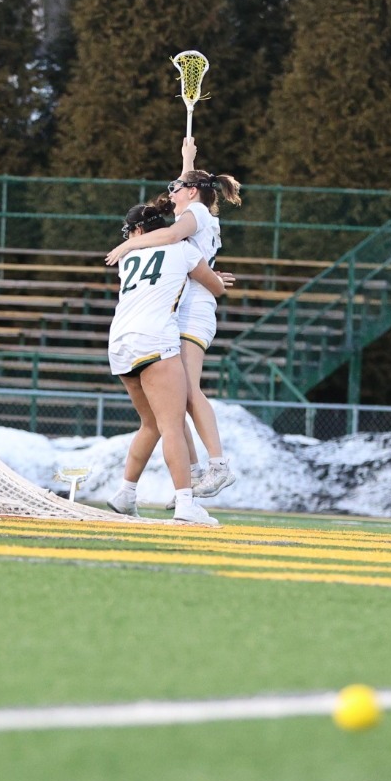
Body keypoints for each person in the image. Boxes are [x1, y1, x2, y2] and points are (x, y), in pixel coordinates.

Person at [104, 138, 243, 498]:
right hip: (184, 304)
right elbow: (183, 215)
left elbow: (173, 233)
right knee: (176, 400)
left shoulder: (194, 216)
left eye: (176, 187)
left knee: (189, 392)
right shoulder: (194, 211)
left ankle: (218, 465)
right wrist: (187, 159)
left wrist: (129, 244)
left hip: (193, 309)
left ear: (193, 192)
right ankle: (195, 472)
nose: (171, 192)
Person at [104, 200, 229, 527]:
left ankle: (125, 493)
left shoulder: (128, 256)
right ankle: (186, 504)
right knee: (172, 425)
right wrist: (211, 271)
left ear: (138, 231)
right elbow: (215, 288)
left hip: (119, 342)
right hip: (155, 339)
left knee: (151, 424)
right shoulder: (184, 250)